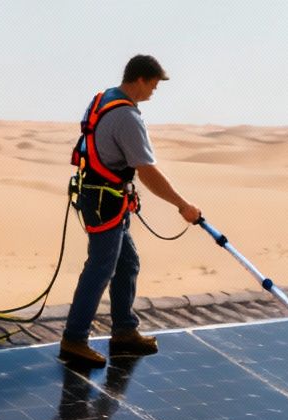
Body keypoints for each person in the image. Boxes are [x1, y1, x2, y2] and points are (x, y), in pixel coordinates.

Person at [60, 54, 199, 369]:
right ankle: (74, 338)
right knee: (100, 267)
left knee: (127, 262)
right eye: (153, 85)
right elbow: (146, 171)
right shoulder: (126, 116)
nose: (153, 92)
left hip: (99, 195)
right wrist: (182, 205)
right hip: (105, 201)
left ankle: (124, 330)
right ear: (141, 79)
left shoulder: (103, 99)